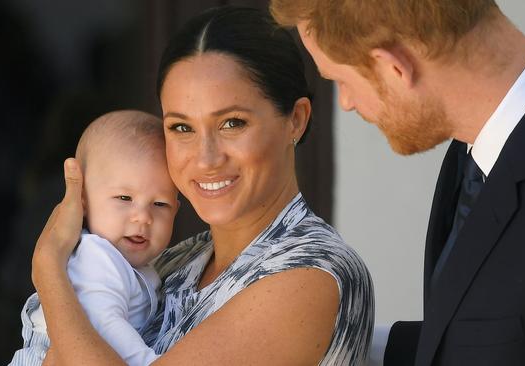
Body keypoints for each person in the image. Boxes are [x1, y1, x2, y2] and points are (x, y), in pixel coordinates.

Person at [31, 6, 374, 366]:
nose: (206, 159)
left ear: (296, 120)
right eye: (182, 127)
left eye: (232, 123)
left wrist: (50, 269)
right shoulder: (178, 260)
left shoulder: (309, 273)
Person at [270, 0, 525, 365]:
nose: (345, 103)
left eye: (340, 81)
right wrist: (330, 341)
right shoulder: (481, 142)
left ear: (395, 68)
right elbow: (498, 337)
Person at [9, 110, 179, 366]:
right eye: (124, 198)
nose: (143, 217)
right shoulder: (97, 258)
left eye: (160, 204)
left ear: (177, 209)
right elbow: (104, 325)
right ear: (83, 201)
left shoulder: (136, 265)